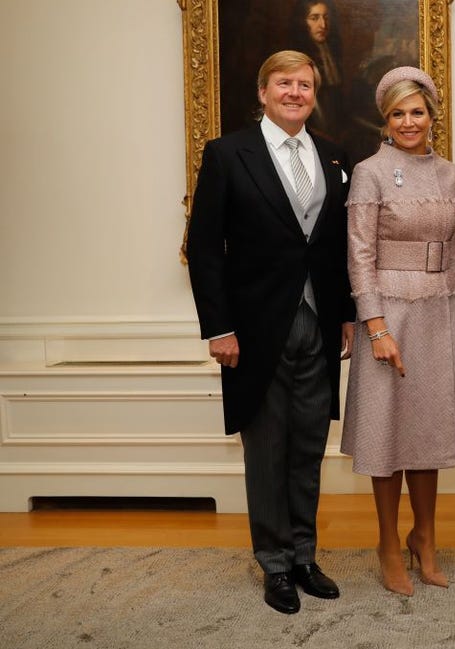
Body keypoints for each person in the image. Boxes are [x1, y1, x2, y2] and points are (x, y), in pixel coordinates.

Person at [186, 50, 355, 614]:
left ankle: (305, 554)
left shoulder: (333, 156)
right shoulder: (227, 154)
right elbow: (206, 249)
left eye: (304, 84)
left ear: (313, 94)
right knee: (266, 447)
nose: (295, 92)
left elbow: (334, 248)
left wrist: (349, 315)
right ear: (262, 92)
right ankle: (275, 563)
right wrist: (219, 327)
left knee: (309, 443)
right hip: (254, 330)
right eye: (284, 83)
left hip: (320, 324)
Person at [341, 66, 455, 596]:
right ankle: (385, 544)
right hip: (389, 315)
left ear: (431, 116)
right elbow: (358, 255)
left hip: (439, 313)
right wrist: (375, 325)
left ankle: (424, 537)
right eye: (398, 113)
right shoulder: (369, 172)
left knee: (428, 431)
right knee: (389, 434)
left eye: (417, 111)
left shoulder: (450, 175)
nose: (408, 121)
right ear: (387, 118)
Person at [289, 0, 344, 143]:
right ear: (302, 22)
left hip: (335, 126)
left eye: (325, 17)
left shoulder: (331, 53)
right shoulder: (296, 60)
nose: (323, 25)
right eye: (314, 18)